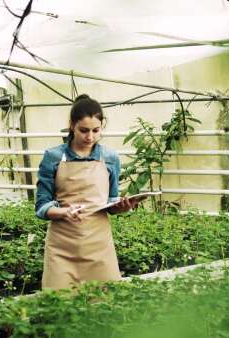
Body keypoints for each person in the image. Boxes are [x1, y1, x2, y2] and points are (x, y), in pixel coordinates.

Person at [35, 94, 136, 290]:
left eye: (96, 130)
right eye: (84, 130)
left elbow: (111, 200)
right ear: (71, 125)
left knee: (103, 304)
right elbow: (41, 206)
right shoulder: (53, 157)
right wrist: (64, 212)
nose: (90, 137)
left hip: (99, 244)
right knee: (59, 304)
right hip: (62, 245)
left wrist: (122, 207)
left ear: (102, 126)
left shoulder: (110, 158)